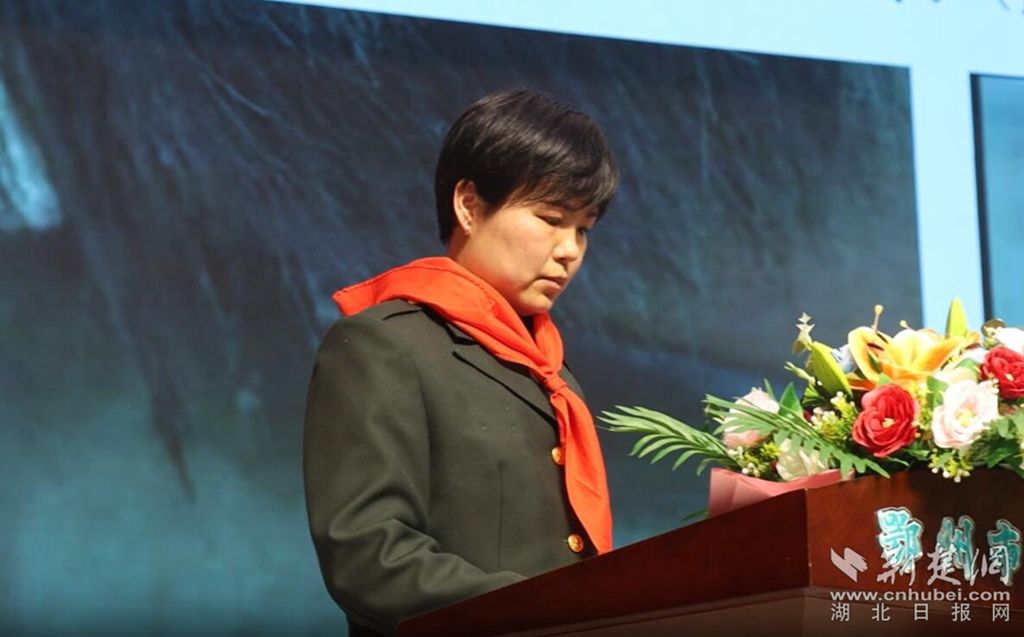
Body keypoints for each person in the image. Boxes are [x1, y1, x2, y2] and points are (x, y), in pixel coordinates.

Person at [303, 88, 618, 637]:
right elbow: (369, 554)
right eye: (550, 217)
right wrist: (548, 611)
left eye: (583, 228)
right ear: (469, 206)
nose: (570, 249)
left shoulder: (553, 372)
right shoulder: (383, 345)